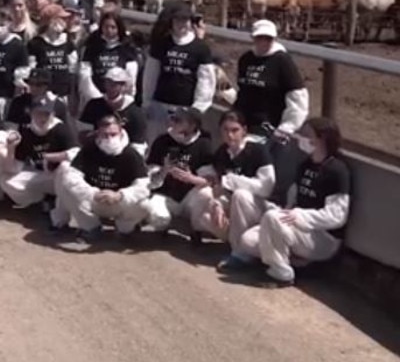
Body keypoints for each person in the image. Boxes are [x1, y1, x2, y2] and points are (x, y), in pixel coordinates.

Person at [229, 117, 351, 286]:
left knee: (273, 218)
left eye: (307, 134)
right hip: (295, 225)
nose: (301, 138)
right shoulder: (305, 165)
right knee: (247, 239)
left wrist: (300, 216)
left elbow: (336, 217)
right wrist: (287, 210)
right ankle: (274, 259)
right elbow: (293, 199)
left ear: (322, 138)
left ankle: (281, 274)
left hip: (323, 237)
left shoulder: (337, 170)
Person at [54, 115, 151, 242]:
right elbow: (72, 176)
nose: (110, 138)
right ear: (97, 133)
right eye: (105, 135)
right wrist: (92, 193)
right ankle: (90, 227)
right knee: (64, 173)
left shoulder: (131, 154)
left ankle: (125, 230)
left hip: (119, 203)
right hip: (93, 200)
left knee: (145, 203)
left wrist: (120, 195)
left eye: (113, 134)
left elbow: (143, 186)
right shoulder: (89, 148)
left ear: (121, 131)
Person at [206, 111, 277, 266]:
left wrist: (232, 180)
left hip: (264, 207)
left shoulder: (258, 151)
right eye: (225, 130)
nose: (230, 135)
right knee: (209, 209)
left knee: (241, 195)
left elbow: (265, 188)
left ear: (244, 130)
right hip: (239, 207)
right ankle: (237, 244)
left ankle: (241, 254)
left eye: (235, 130)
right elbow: (220, 187)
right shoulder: (222, 153)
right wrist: (217, 203)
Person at [142, 7, 215, 143]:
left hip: (185, 108)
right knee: (156, 144)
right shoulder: (161, 44)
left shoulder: (200, 48)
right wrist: (146, 101)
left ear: (190, 22)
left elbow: (206, 80)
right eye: (177, 20)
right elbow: (150, 75)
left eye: (185, 20)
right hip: (160, 106)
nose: (181, 24)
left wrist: (198, 108)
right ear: (172, 22)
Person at [143, 108, 215, 241]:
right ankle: (168, 224)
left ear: (192, 125)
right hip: (166, 195)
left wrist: (191, 178)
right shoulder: (162, 141)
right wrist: (164, 170)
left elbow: (209, 180)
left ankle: (196, 230)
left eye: (178, 120)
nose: (172, 122)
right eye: (172, 118)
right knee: (157, 218)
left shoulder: (203, 144)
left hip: (189, 197)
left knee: (207, 193)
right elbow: (150, 179)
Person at [0, 97, 80, 212]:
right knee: (6, 180)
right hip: (41, 175)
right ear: (31, 113)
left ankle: (61, 208)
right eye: (38, 113)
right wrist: (11, 148)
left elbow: (76, 153)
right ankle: (41, 200)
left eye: (46, 114)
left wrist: (53, 157)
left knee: (65, 167)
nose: (42, 118)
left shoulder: (61, 129)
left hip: (60, 176)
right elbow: (13, 168)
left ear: (52, 114)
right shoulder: (26, 132)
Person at [234, 20, 310, 140]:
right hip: (241, 122)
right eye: (260, 38)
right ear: (253, 38)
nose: (264, 42)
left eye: (268, 38)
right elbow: (241, 89)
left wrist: (287, 127)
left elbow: (298, 96)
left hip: (268, 126)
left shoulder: (282, 61)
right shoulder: (246, 59)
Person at [77, 68, 148, 153]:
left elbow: (138, 144)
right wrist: (99, 135)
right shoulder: (94, 105)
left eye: (115, 84)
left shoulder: (135, 112)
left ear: (124, 86)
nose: (110, 86)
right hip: (96, 151)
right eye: (108, 82)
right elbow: (82, 134)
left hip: (125, 154)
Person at [77, 12, 139, 107]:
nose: (109, 30)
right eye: (106, 27)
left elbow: (131, 78)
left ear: (119, 28)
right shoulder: (92, 46)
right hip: (94, 97)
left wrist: (123, 98)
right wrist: (96, 96)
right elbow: (85, 74)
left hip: (119, 100)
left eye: (113, 27)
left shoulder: (127, 48)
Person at [26, 5, 78, 102]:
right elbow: (31, 68)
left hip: (63, 93)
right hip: (42, 94)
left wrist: (73, 93)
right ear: (50, 21)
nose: (64, 21)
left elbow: (73, 69)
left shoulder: (68, 42)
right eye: (61, 18)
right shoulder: (35, 43)